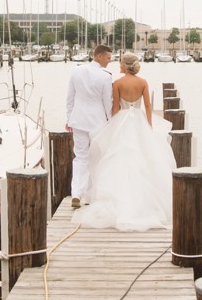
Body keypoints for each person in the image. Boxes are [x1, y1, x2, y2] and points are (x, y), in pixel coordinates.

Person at [74, 52, 177, 231]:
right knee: (146, 157)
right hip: (139, 120)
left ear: (125, 65)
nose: (118, 65)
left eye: (120, 63)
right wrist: (149, 125)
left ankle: (117, 197)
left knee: (118, 157)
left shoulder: (117, 83)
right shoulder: (143, 82)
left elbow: (114, 108)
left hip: (122, 120)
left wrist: (112, 126)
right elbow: (148, 106)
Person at [65, 44, 114, 208]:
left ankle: (76, 193)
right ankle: (90, 196)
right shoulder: (105, 77)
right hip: (97, 122)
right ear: (99, 56)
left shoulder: (76, 71)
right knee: (96, 158)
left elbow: (70, 98)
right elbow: (108, 103)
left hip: (78, 120)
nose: (109, 60)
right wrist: (111, 122)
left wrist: (69, 118)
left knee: (80, 157)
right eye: (108, 57)